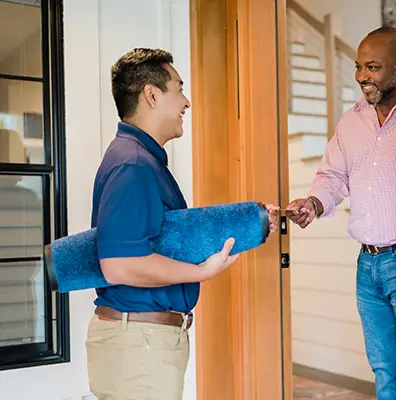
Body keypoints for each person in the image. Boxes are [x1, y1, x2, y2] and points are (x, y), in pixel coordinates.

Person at [85, 48, 278, 400]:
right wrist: (202, 271)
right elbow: (119, 265)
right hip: (140, 346)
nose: (186, 100)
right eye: (179, 88)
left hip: (141, 343)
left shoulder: (141, 160)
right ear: (152, 95)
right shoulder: (133, 165)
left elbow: (163, 240)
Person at [286, 27, 396, 400]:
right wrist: (313, 203)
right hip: (368, 265)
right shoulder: (351, 121)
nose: (362, 76)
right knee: (387, 374)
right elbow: (332, 176)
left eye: (373, 67)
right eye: (359, 66)